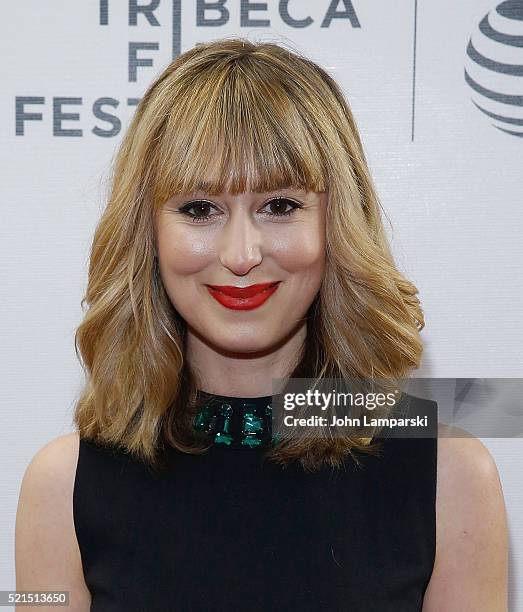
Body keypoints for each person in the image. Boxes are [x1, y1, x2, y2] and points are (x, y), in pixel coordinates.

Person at [15, 37, 508, 611]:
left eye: (279, 205)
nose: (242, 253)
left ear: (337, 224)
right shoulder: (61, 488)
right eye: (199, 209)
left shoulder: (451, 477)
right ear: (147, 232)